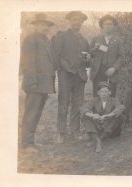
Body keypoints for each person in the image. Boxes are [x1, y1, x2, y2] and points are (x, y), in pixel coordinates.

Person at [52, 11, 90, 143]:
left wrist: (87, 59)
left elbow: (87, 61)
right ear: (69, 21)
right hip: (65, 75)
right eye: (74, 19)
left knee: (77, 105)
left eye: (80, 20)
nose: (77, 22)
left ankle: (75, 131)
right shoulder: (62, 36)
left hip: (80, 77)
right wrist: (67, 67)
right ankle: (61, 133)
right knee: (63, 103)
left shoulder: (84, 40)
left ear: (82, 22)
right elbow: (56, 55)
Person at [20, 13, 56, 153]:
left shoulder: (46, 40)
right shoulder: (31, 39)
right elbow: (27, 63)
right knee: (31, 114)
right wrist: (32, 83)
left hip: (44, 85)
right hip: (35, 85)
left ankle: (31, 142)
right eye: (41, 24)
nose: (45, 27)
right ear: (35, 25)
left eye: (46, 25)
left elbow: (50, 63)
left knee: (37, 113)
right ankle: (27, 144)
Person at [80, 81, 125, 152]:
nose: (104, 94)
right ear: (98, 93)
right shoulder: (94, 100)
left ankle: (98, 140)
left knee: (120, 117)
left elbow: (121, 107)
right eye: (102, 92)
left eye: (106, 91)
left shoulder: (114, 100)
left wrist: (108, 115)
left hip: (111, 129)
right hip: (99, 127)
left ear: (110, 92)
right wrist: (93, 115)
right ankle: (98, 141)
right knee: (85, 117)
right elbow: (83, 109)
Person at [89, 14, 124, 97]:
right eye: (106, 24)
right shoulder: (95, 39)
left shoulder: (118, 41)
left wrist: (114, 68)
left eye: (110, 24)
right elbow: (90, 54)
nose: (108, 26)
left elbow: (121, 57)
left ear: (113, 26)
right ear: (102, 26)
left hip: (112, 73)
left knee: (110, 96)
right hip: (98, 72)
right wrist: (95, 49)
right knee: (97, 96)